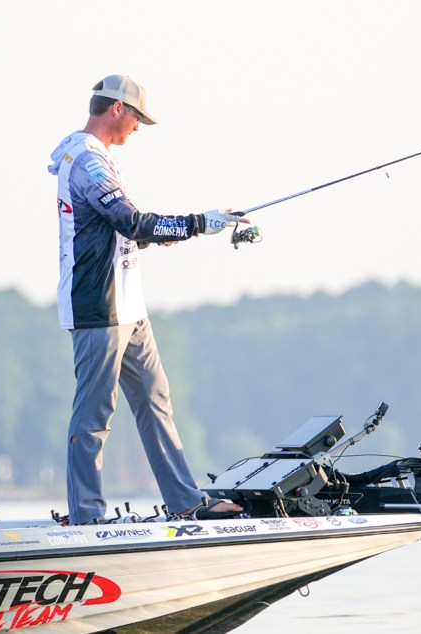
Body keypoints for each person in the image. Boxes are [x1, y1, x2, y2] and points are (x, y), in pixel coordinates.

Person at [48, 74, 245, 524]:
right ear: (117, 108)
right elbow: (131, 221)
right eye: (137, 117)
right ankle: (87, 516)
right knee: (95, 413)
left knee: (156, 399)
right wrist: (197, 223)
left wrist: (171, 233)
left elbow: (123, 231)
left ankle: (185, 501)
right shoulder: (87, 160)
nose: (139, 127)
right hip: (98, 307)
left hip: (130, 307)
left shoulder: (97, 156)